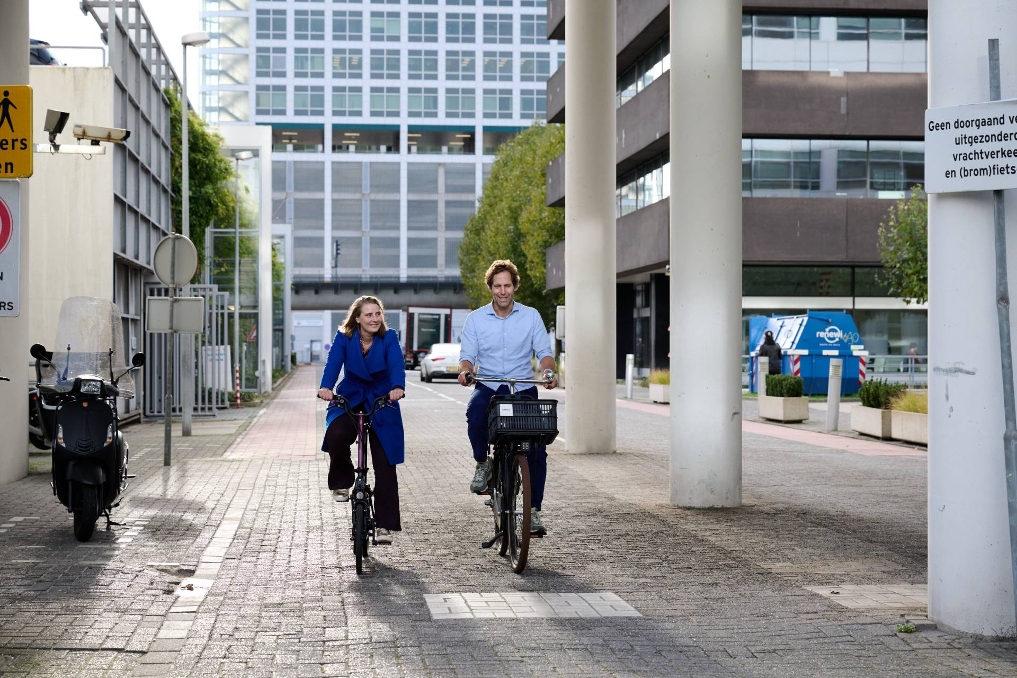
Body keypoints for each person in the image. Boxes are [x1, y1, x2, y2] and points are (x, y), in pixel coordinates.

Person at [457, 260, 558, 536]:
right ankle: (483, 463)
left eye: (507, 285)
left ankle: (533, 511)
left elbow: (544, 352)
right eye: (497, 286)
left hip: (523, 388)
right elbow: (467, 357)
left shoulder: (531, 316)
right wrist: (465, 372)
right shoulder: (476, 319)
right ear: (490, 287)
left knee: (537, 448)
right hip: (490, 387)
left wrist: (549, 371)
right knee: (474, 413)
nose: (503, 291)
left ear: (514, 286)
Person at [317, 295, 406, 545]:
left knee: (385, 460)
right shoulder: (345, 337)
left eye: (378, 314)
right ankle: (342, 483)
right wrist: (326, 387)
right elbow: (333, 363)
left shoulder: (389, 338)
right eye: (369, 314)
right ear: (357, 318)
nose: (375, 319)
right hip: (352, 393)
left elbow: (397, 363)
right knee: (335, 432)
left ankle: (385, 526)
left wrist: (397, 386)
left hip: (382, 397)